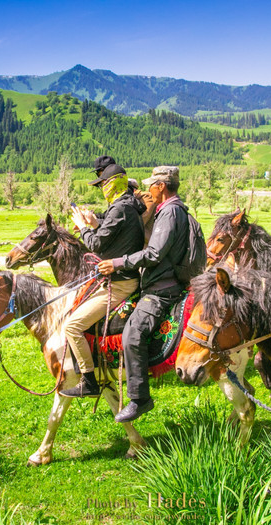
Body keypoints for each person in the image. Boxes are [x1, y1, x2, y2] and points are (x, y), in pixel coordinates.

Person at [97, 166, 189, 422]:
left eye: (152, 186)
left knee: (132, 334)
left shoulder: (170, 212)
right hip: (162, 280)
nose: (148, 190)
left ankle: (140, 398)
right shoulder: (172, 209)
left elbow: (154, 254)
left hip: (162, 288)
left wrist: (118, 263)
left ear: (160, 186)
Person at [60, 163, 145, 397]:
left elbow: (97, 244)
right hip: (120, 279)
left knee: (72, 326)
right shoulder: (127, 205)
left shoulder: (120, 208)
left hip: (120, 283)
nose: (102, 189)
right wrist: (94, 224)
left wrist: (83, 228)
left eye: (103, 184)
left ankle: (88, 380)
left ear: (113, 183)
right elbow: (114, 236)